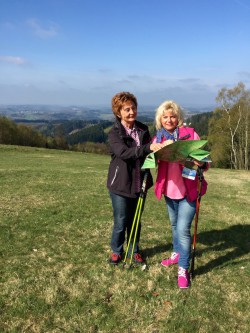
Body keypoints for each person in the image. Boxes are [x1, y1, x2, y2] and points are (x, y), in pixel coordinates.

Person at [153, 100, 209, 288]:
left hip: (189, 190)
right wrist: (155, 152)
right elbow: (149, 160)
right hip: (169, 190)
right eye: (165, 117)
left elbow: (205, 160)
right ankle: (177, 254)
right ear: (160, 119)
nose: (169, 120)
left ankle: (183, 268)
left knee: (183, 230)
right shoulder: (158, 139)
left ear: (179, 118)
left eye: (173, 116)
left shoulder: (190, 134)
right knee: (174, 224)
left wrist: (201, 162)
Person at [107, 92, 163, 265]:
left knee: (136, 219)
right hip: (120, 184)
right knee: (121, 220)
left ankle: (134, 250)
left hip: (140, 181)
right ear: (118, 113)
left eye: (133, 108)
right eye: (127, 109)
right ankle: (117, 250)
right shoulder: (114, 133)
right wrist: (147, 148)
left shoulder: (143, 129)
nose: (131, 112)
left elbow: (149, 154)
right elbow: (124, 153)